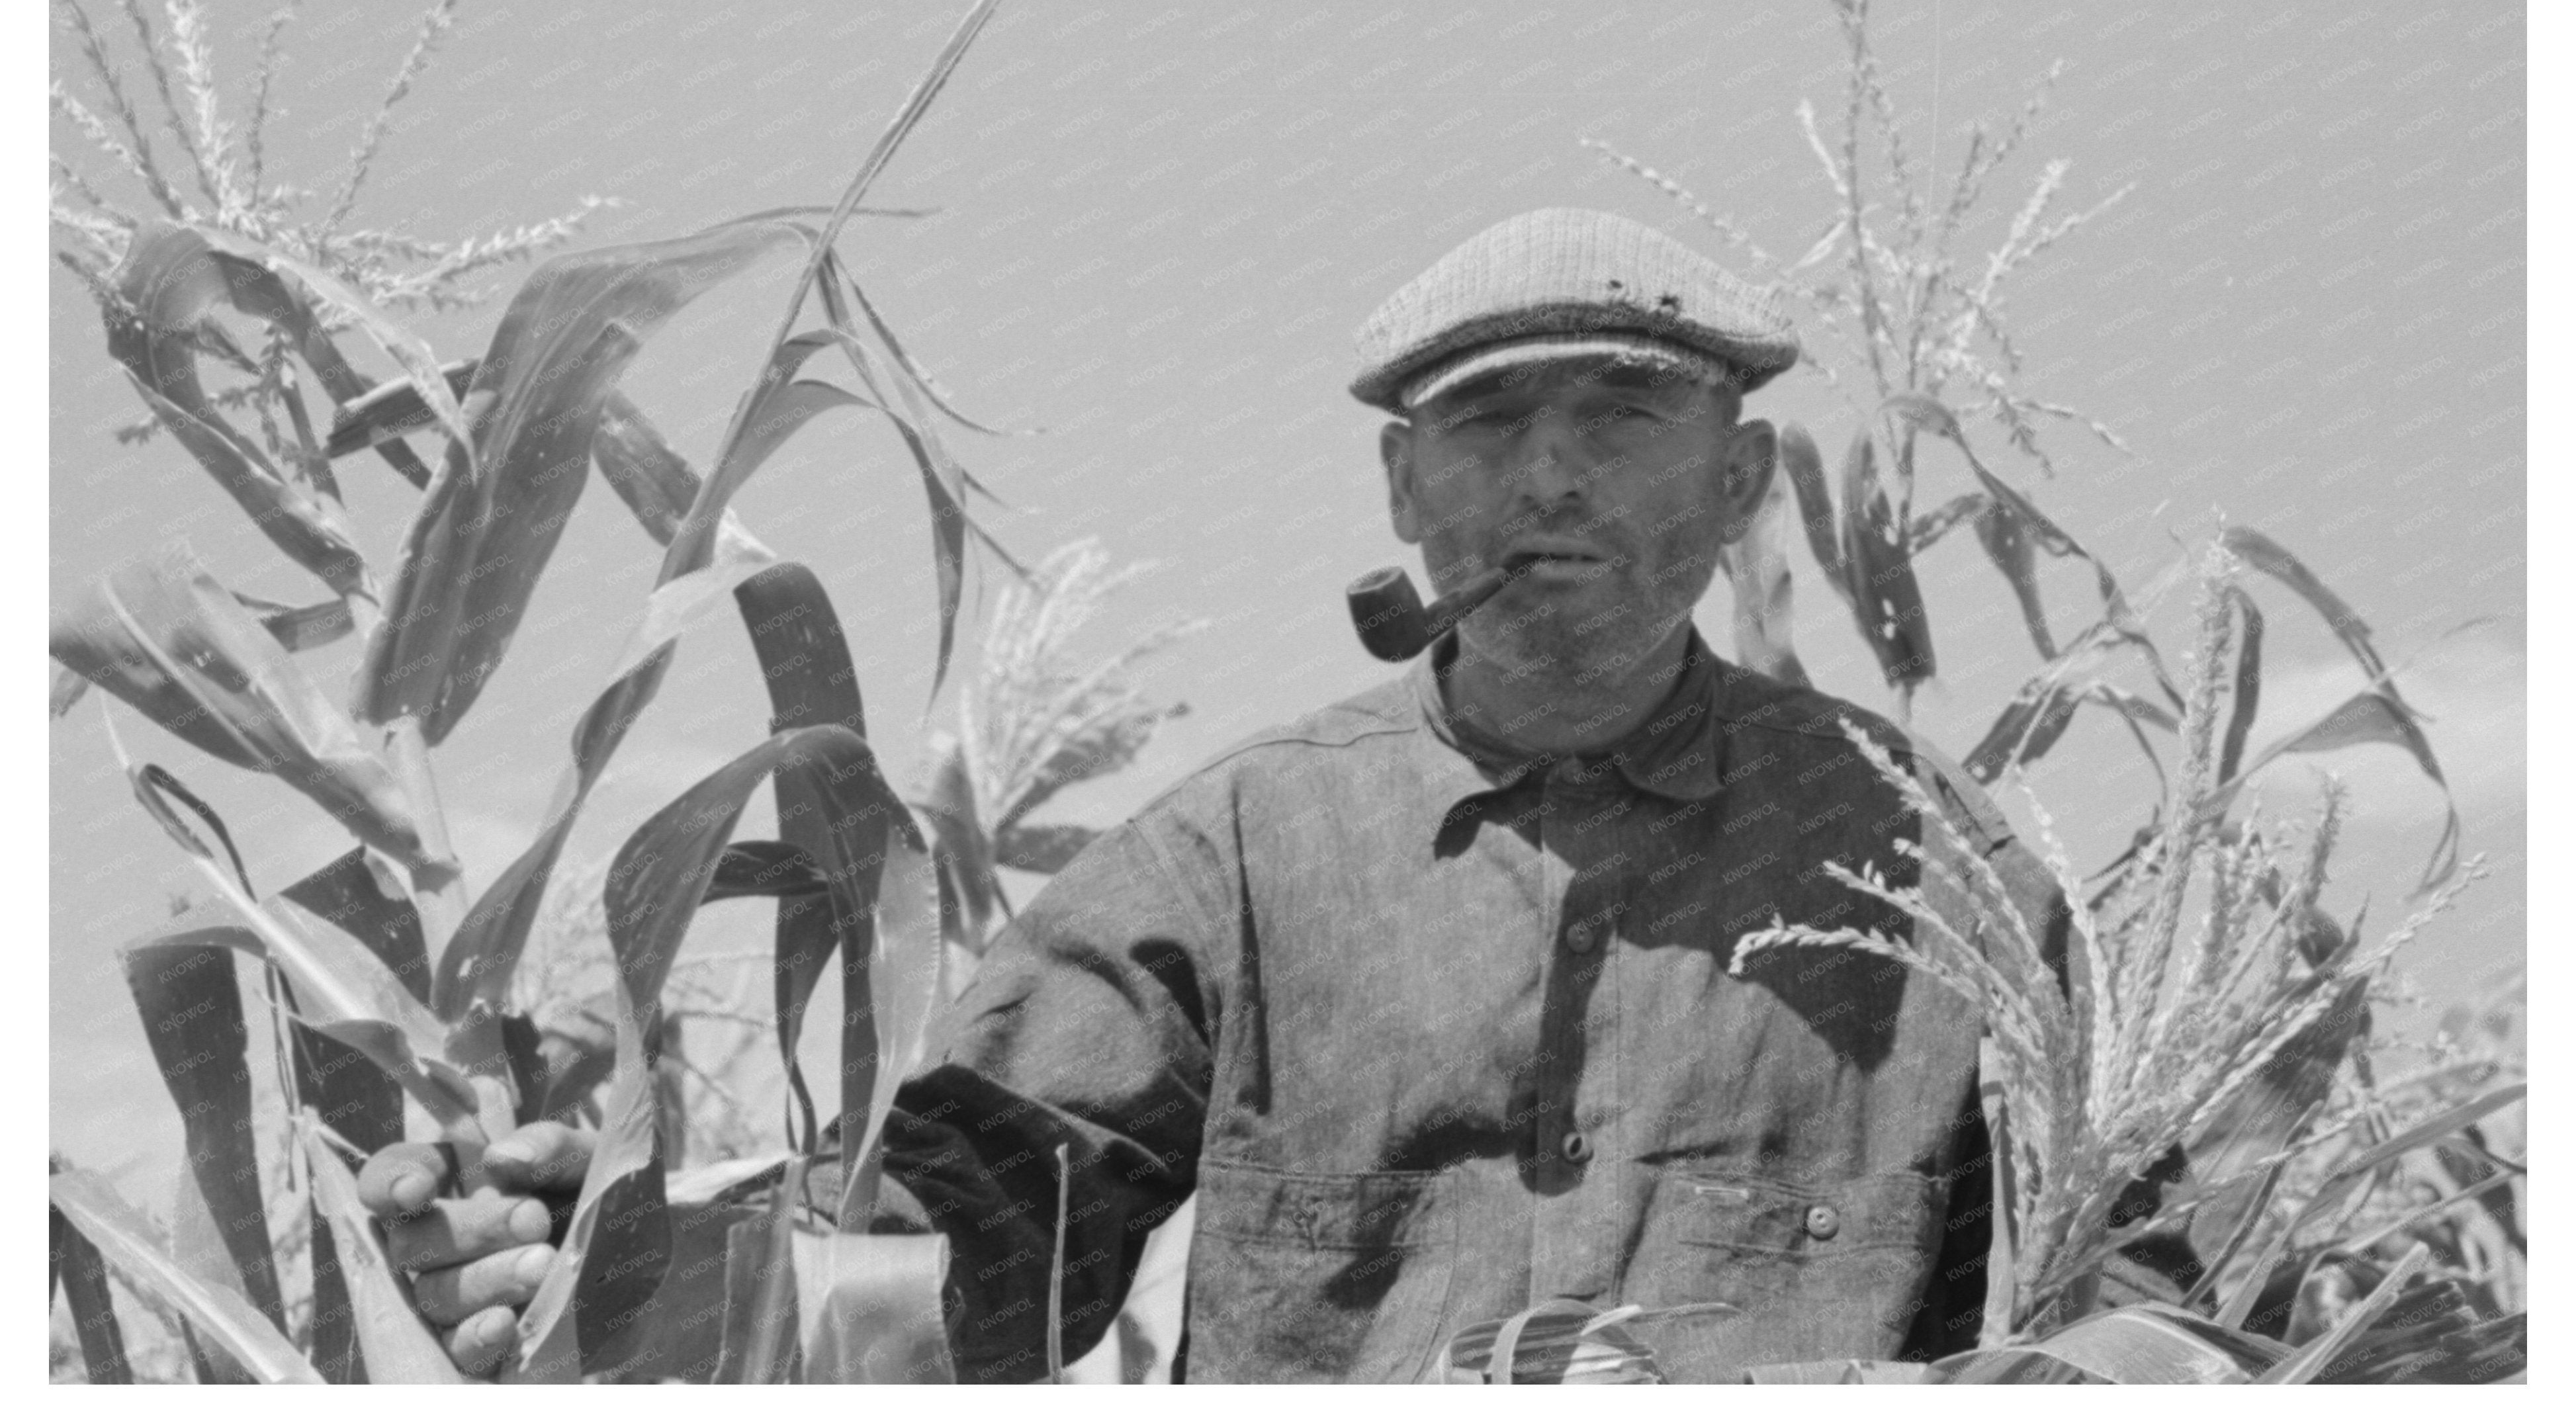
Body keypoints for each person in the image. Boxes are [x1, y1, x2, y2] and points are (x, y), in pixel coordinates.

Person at [363, 206, 2075, 1382]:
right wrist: (621, 1244)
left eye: (1622, 411)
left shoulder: (1946, 879)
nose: (1551, 470)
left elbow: (2152, 1316)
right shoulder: (1245, 853)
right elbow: (960, 1237)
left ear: (1741, 476)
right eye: (1488, 419)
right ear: (1405, 484)